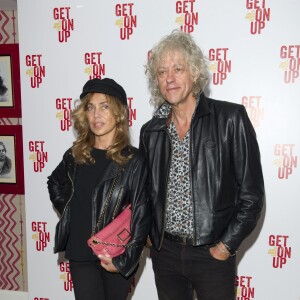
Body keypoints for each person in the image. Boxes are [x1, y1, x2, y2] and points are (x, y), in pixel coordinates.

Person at [139, 30, 265, 300]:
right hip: (165, 254)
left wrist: (226, 246)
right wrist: (149, 234)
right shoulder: (150, 131)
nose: (169, 78)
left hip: (212, 253)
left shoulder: (230, 119)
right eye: (162, 72)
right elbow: (145, 192)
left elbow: (252, 195)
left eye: (178, 69)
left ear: (194, 73)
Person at [47, 78, 151, 300]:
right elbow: (55, 183)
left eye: (104, 106)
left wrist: (126, 259)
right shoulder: (76, 154)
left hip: (114, 254)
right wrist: (71, 212)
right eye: (90, 107)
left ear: (119, 113)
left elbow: (142, 213)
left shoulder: (133, 159)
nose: (96, 115)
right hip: (80, 252)